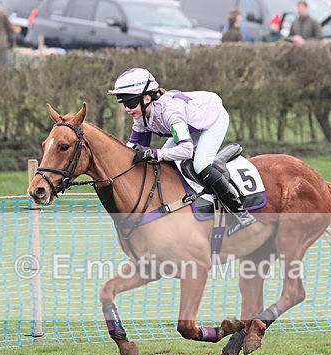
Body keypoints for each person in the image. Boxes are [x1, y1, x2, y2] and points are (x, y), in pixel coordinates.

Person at [107, 68, 255, 235]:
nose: (127, 109)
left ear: (146, 98)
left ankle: (240, 213)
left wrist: (154, 154)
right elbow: (132, 148)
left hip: (212, 119)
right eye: (124, 103)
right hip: (191, 123)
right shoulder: (141, 117)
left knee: (200, 164)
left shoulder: (171, 112)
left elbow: (185, 150)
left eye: (130, 103)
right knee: (162, 161)